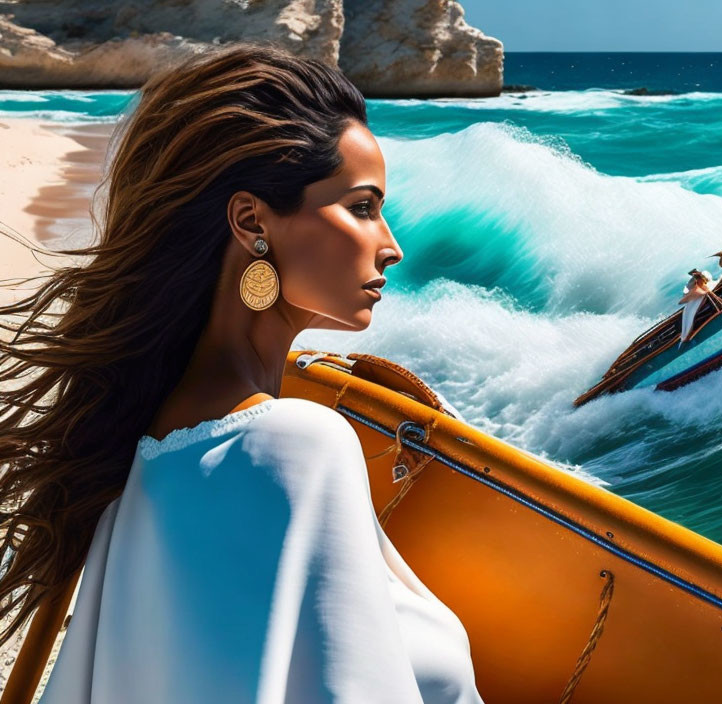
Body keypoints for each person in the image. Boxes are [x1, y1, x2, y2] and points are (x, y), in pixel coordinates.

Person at [0, 44, 484, 703]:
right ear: (253, 221)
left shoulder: (137, 476)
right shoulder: (294, 447)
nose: (392, 244)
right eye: (363, 207)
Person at [677, 269, 722, 345]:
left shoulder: (701, 290)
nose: (697, 281)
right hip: (695, 309)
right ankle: (687, 336)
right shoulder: (698, 291)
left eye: (698, 279)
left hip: (699, 307)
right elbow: (681, 301)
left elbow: (682, 301)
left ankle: (686, 335)